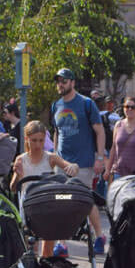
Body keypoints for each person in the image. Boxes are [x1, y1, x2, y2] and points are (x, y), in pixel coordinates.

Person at [50, 69, 107, 254]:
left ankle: (99, 236)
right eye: (58, 81)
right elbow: (57, 132)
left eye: (64, 81)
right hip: (63, 164)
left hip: (83, 163)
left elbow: (99, 131)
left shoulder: (86, 104)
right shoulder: (55, 106)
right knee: (61, 201)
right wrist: (55, 157)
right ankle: (62, 244)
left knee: (86, 201)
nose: (61, 84)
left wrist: (99, 158)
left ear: (72, 83)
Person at [11, 119, 79, 259]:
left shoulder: (50, 157)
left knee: (48, 246)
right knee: (30, 247)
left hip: (47, 203)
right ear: (27, 139)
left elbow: (70, 166)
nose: (37, 144)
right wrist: (17, 175)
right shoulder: (21, 159)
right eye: (34, 140)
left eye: (41, 140)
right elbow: (13, 188)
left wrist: (73, 167)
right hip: (29, 204)